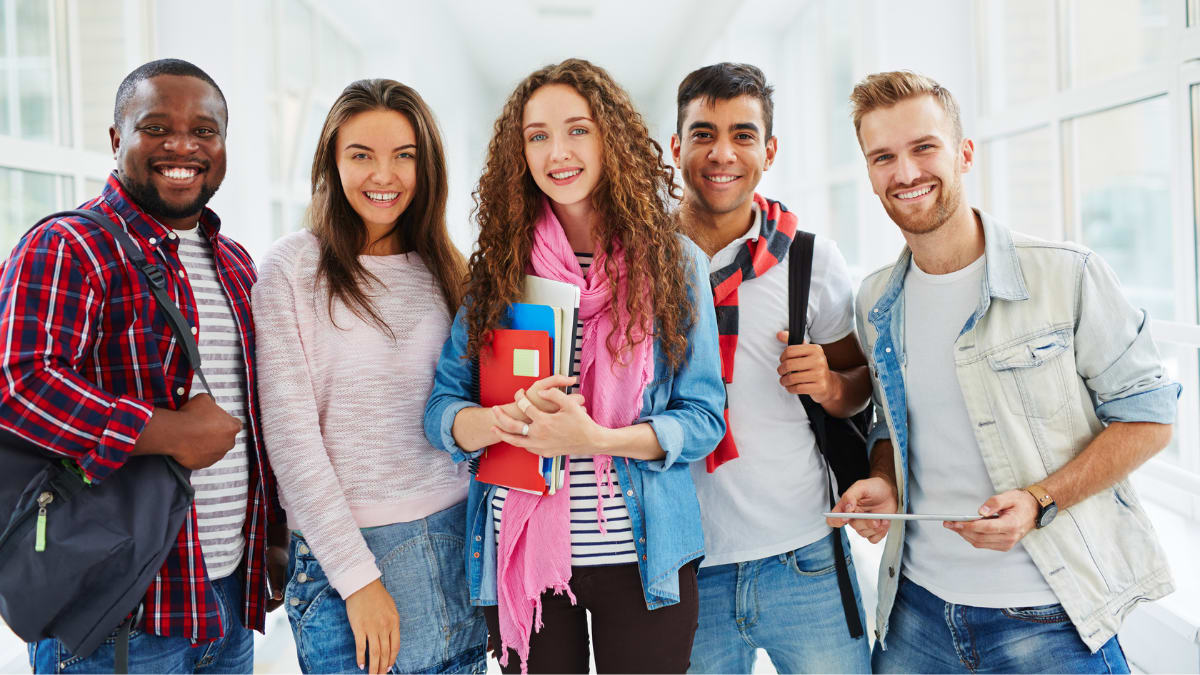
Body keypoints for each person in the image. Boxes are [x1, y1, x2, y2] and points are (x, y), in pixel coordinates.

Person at [830, 70, 1180, 674]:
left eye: (923, 148)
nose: (906, 173)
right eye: (883, 157)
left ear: (964, 152)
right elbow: (893, 422)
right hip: (915, 616)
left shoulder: (1067, 276)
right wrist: (884, 481)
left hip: (1052, 620)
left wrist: (1039, 500)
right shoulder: (875, 300)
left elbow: (1149, 419)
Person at [423, 58, 725, 674]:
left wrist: (596, 439)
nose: (557, 151)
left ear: (610, 137)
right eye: (537, 136)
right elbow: (441, 412)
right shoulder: (498, 275)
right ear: (520, 153)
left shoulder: (676, 263)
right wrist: (499, 422)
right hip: (524, 562)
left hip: (644, 560)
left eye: (577, 129)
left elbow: (703, 418)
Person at [0, 58, 288, 674]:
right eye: (156, 127)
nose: (182, 146)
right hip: (115, 613)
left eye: (204, 131)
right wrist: (168, 433)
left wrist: (272, 537)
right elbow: (17, 386)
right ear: (115, 139)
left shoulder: (236, 263)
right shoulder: (70, 246)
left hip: (226, 599)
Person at [253, 79, 487, 675]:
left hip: (460, 543)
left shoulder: (448, 269)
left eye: (404, 156)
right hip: (351, 561)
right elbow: (292, 442)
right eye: (361, 155)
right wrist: (359, 581)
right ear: (331, 159)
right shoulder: (292, 267)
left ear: (426, 165)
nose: (384, 175)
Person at [670, 62, 872, 674]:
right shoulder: (639, 260)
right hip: (682, 568)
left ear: (770, 150)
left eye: (743, 134)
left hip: (803, 555)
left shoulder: (812, 259)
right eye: (703, 134)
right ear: (676, 147)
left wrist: (832, 385)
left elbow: (860, 390)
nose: (722, 153)